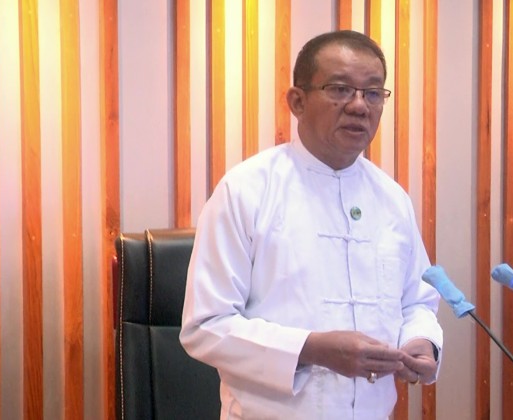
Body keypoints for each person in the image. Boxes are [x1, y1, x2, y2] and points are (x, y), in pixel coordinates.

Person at [180, 30, 444, 419]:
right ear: (297, 102)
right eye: (340, 89)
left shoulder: (392, 199)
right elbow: (205, 326)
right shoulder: (247, 190)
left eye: (373, 93)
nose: (360, 106)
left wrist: (420, 340)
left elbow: (417, 301)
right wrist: (311, 348)